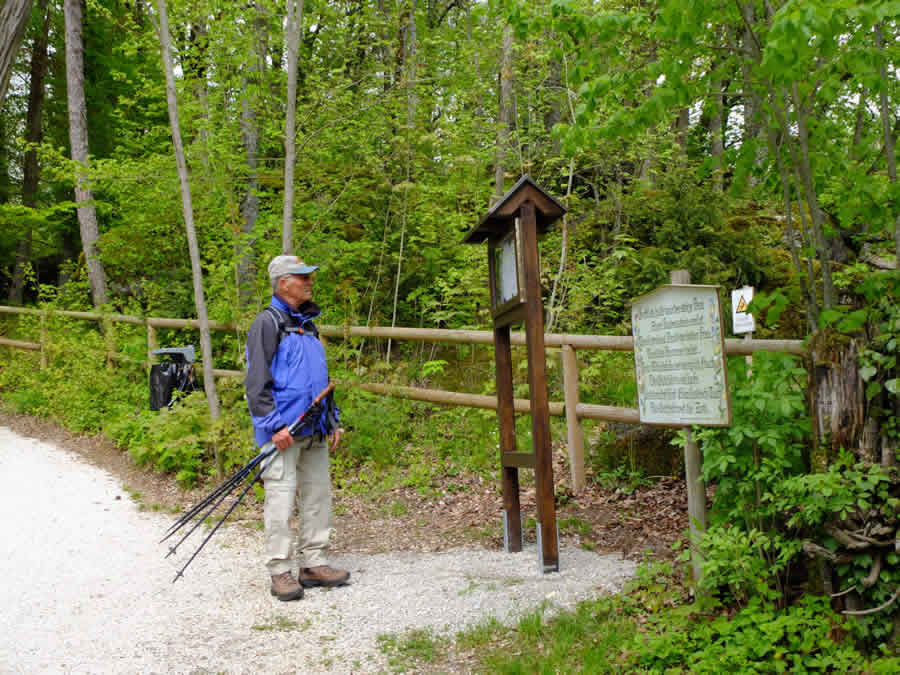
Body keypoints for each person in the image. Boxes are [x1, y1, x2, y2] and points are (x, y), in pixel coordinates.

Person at [245, 254, 349, 601]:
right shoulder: (267, 322)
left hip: (314, 428)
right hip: (283, 432)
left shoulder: (309, 325)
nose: (309, 282)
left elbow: (319, 381)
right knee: (280, 498)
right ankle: (280, 570)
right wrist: (274, 426)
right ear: (283, 283)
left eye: (309, 276)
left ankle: (314, 563)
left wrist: (333, 419)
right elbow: (256, 381)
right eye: (302, 277)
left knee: (318, 496)